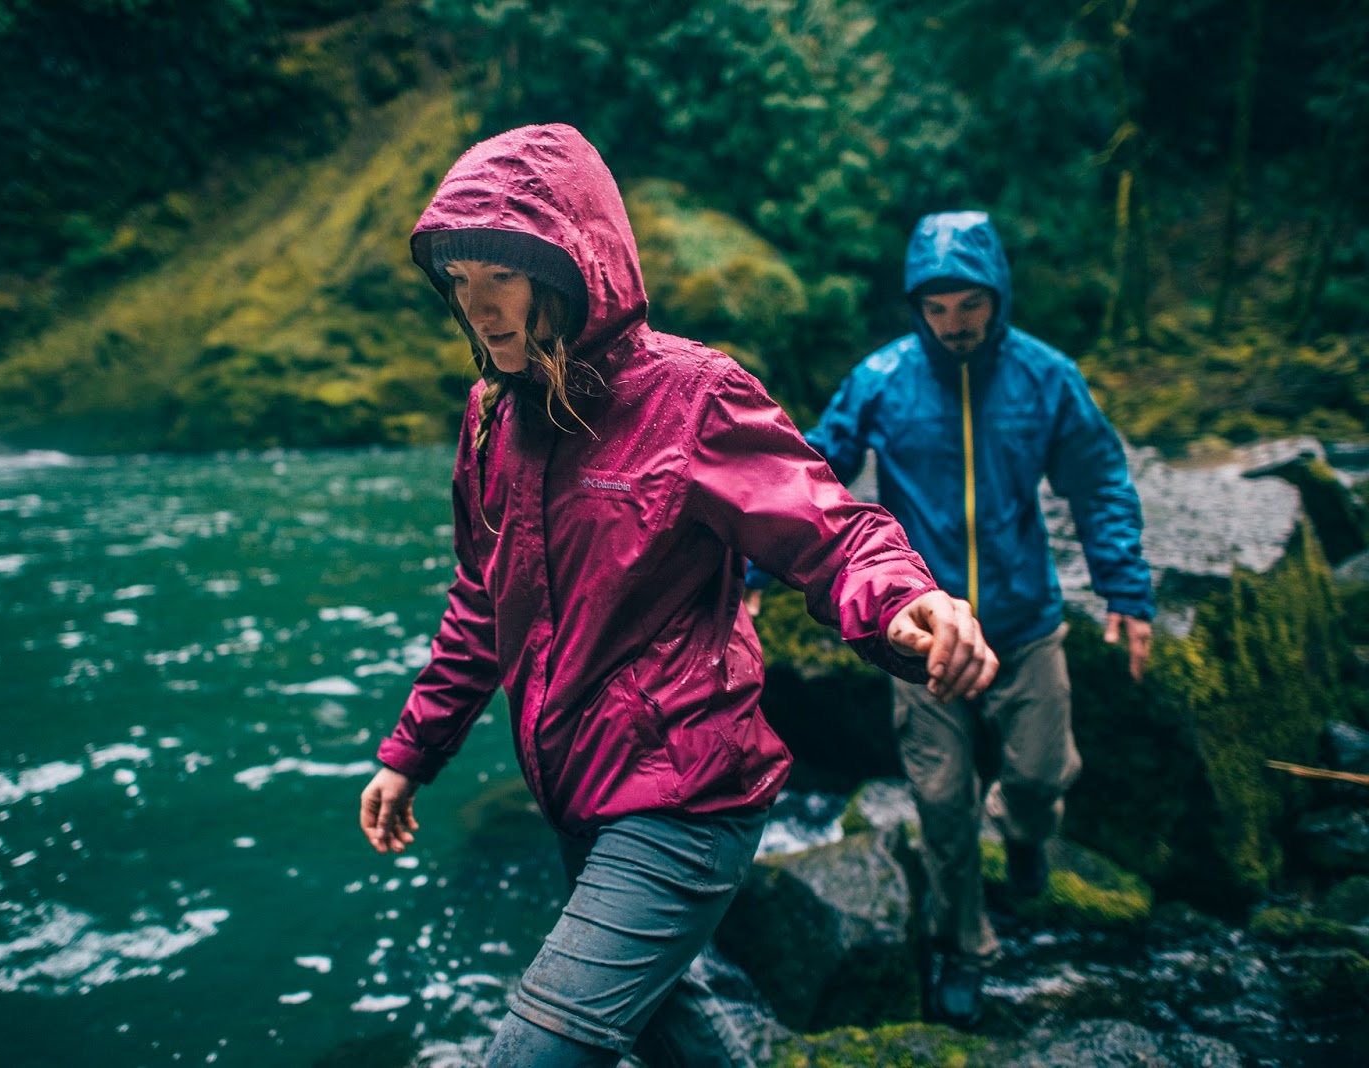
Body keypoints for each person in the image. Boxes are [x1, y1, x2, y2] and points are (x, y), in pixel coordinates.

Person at [356, 126, 999, 1067]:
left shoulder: (691, 395)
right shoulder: (491, 413)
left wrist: (907, 603)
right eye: (459, 279)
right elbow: (479, 601)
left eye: (500, 274)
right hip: (582, 795)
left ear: (568, 265)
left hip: (687, 798)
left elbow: (826, 527)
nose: (477, 305)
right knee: (677, 1027)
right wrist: (413, 749)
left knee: (532, 1055)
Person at [745, 210, 1155, 1030]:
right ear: (916, 308)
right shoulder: (882, 379)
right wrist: (753, 570)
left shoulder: (1047, 378)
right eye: (937, 309)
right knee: (939, 799)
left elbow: (1098, 481)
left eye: (968, 304)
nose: (954, 323)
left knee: (1042, 773)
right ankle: (963, 945)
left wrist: (1127, 593)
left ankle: (1029, 834)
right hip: (920, 628)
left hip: (1027, 621)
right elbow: (816, 474)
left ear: (996, 295)